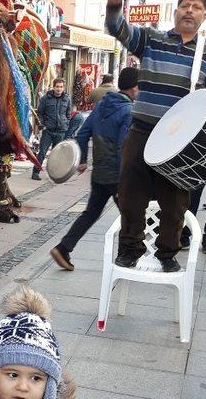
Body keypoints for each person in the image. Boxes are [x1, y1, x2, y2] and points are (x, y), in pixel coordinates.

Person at [106, 0, 206, 272]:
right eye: (185, 4)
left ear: (203, 16)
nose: (190, 10)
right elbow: (118, 28)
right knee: (130, 192)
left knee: (176, 201)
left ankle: (167, 254)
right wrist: (114, 6)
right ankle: (130, 249)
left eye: (197, 7)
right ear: (176, 11)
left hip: (179, 142)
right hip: (141, 130)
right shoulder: (152, 39)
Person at [50, 66, 139, 271]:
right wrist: (125, 176)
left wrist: (81, 160)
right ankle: (124, 258)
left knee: (90, 213)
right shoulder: (128, 111)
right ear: (134, 88)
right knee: (129, 216)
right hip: (116, 176)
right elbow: (122, 147)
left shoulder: (101, 105)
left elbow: (82, 134)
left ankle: (64, 248)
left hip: (99, 173)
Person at [32, 77, 71, 179]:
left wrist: (66, 123)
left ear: (63, 88)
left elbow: (68, 114)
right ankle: (35, 172)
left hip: (61, 131)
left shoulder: (67, 99)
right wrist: (43, 125)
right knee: (42, 152)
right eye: (57, 87)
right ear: (53, 87)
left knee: (57, 155)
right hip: (48, 130)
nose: (59, 89)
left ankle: (55, 174)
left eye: (61, 87)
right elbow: (40, 113)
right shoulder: (45, 98)